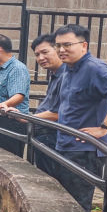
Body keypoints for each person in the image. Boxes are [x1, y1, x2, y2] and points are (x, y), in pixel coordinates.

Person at [49, 24, 107, 212]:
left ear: (83, 45)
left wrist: (104, 127)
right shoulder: (69, 69)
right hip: (66, 146)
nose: (61, 50)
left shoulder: (94, 68)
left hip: (84, 151)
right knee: (65, 205)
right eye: (58, 45)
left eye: (67, 44)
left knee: (78, 208)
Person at [29, 33, 65, 177]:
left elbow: (56, 113)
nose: (40, 58)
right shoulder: (54, 74)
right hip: (45, 135)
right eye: (37, 54)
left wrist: (29, 118)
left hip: (54, 137)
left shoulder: (66, 75)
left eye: (45, 52)